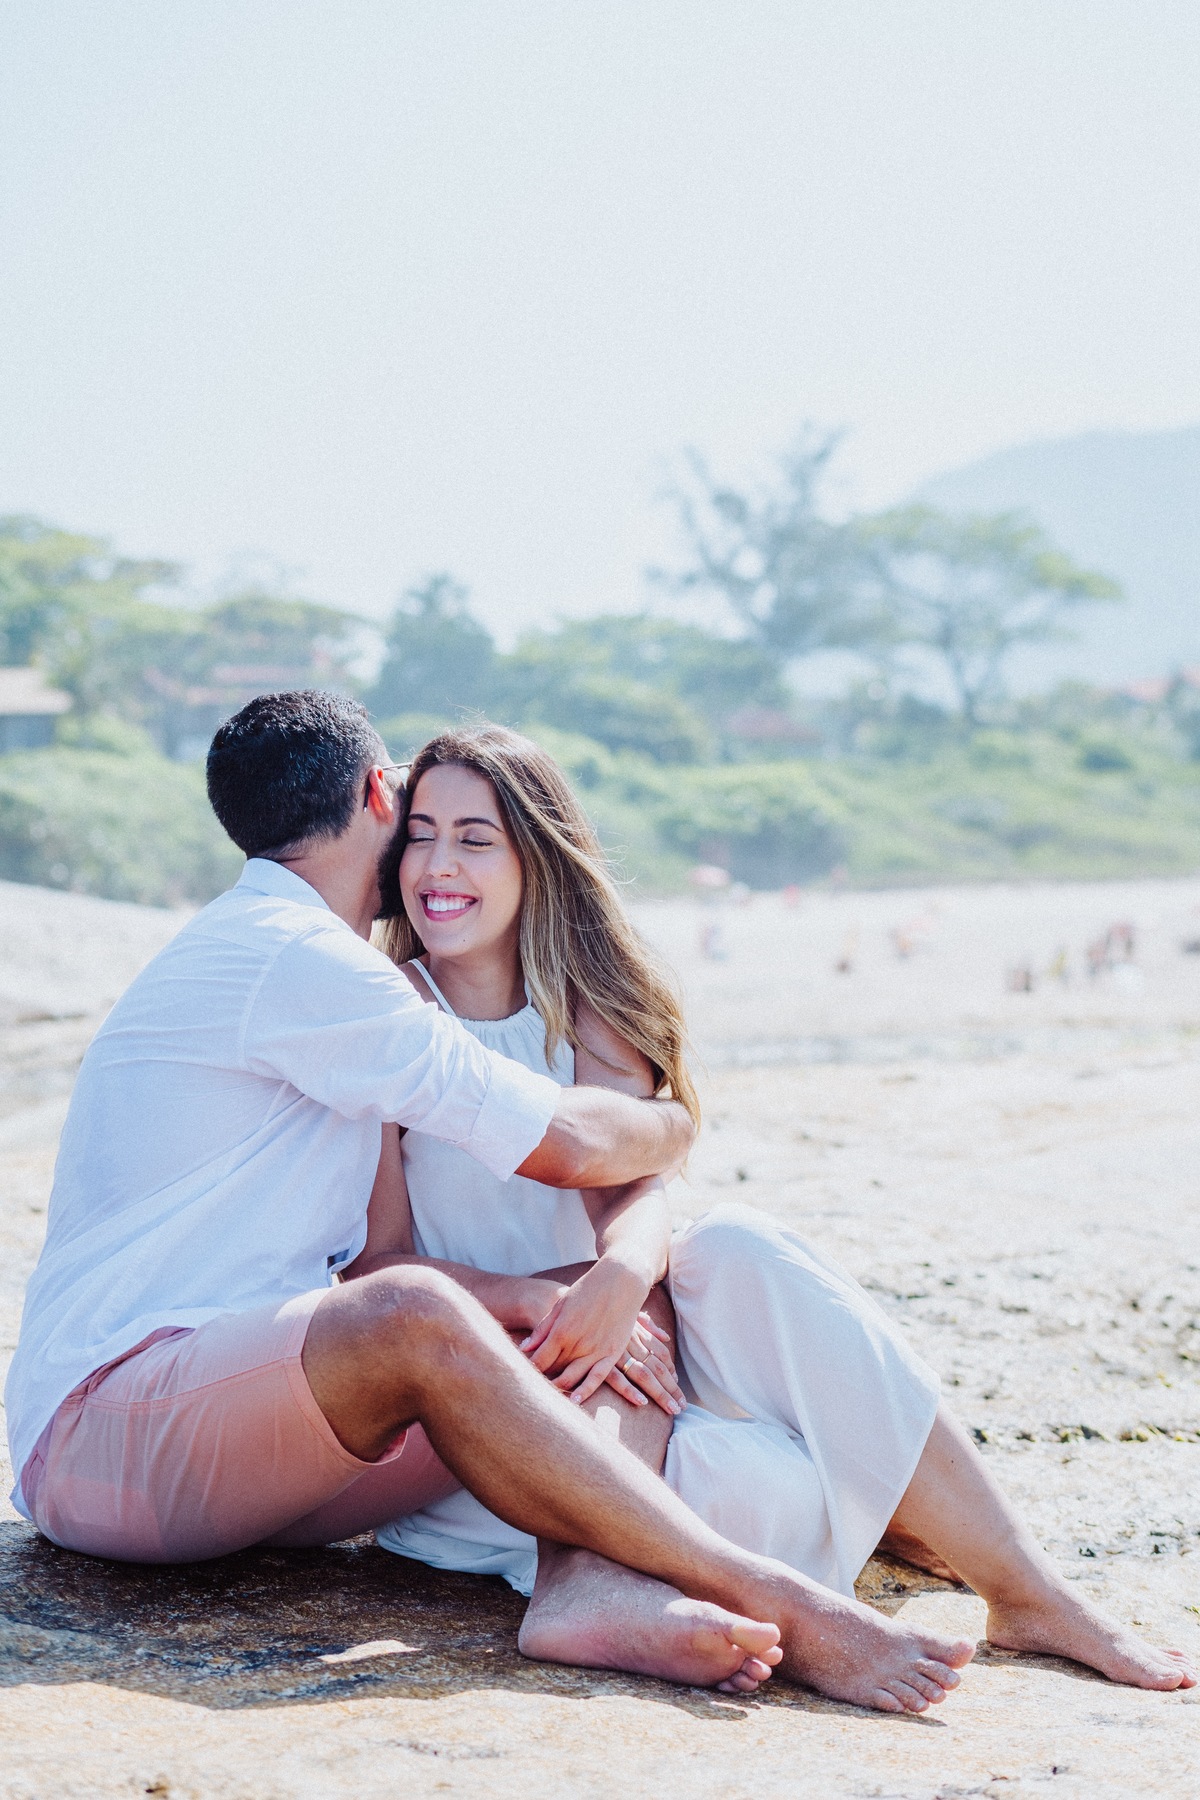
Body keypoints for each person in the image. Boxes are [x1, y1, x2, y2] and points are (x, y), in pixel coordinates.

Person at [6, 689, 1009, 1715]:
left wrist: (565, 1283)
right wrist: (674, 1127)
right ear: (378, 792)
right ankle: (776, 1597)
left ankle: (588, 1587)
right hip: (108, 1434)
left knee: (600, 1303)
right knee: (418, 1316)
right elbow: (565, 1144)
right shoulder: (299, 961)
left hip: (251, 1438)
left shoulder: (283, 955)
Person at [359, 723, 1194, 1699]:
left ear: (535, 857)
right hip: (498, 1434)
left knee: (737, 1271)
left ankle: (1029, 1590)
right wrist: (535, 1299)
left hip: (635, 1376)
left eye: (475, 836)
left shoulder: (579, 1004)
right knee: (762, 1482)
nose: (439, 864)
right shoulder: (387, 1016)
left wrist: (623, 1279)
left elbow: (629, 1195)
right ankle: (595, 1583)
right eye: (421, 833)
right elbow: (374, 1268)